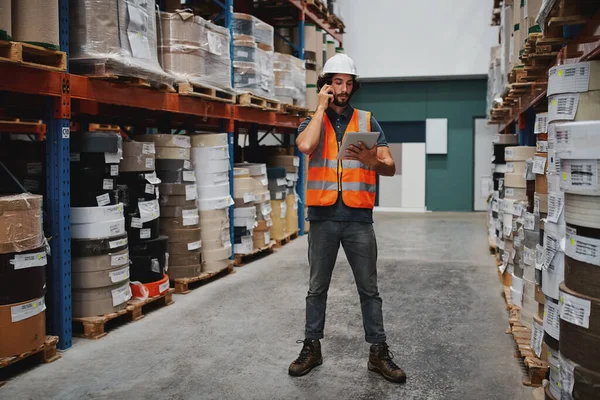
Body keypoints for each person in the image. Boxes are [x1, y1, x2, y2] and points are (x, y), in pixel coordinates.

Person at [289, 54, 406, 384]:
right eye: (337, 82)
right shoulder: (313, 120)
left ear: (354, 86)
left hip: (358, 217)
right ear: (326, 84)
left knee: (369, 289)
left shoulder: (368, 121)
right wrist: (319, 109)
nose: (343, 88)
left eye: (348, 83)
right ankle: (311, 348)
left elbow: (391, 167)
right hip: (323, 217)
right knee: (316, 289)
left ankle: (378, 353)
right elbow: (306, 145)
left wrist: (372, 160)